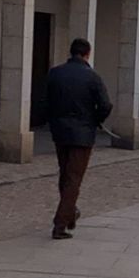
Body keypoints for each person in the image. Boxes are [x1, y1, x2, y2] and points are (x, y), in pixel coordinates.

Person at [45, 38, 113, 240]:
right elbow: (106, 105)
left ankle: (69, 214)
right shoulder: (92, 77)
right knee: (74, 178)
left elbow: (45, 100)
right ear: (87, 54)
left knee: (65, 175)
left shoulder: (55, 73)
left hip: (60, 131)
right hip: (83, 134)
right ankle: (60, 223)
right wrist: (96, 120)